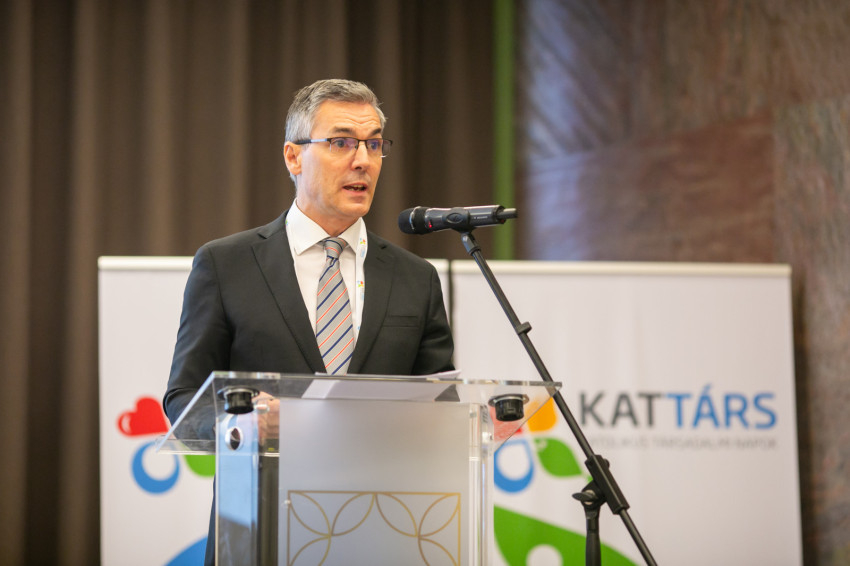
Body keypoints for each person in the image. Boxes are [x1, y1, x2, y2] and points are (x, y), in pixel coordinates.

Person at [163, 79, 454, 564]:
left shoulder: (415, 277)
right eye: (341, 142)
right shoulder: (226, 265)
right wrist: (244, 425)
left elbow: (441, 407)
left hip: (382, 530)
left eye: (374, 144)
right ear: (293, 157)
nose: (363, 160)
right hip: (258, 529)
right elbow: (182, 400)